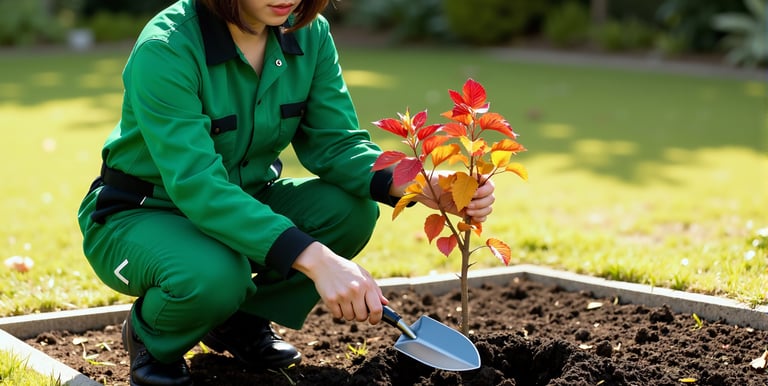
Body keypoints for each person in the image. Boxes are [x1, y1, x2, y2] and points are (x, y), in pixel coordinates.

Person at [77, 0, 496, 385]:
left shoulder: (308, 32)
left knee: (350, 211)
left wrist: (422, 185)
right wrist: (317, 261)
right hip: (141, 214)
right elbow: (199, 186)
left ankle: (240, 322)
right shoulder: (167, 48)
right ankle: (152, 337)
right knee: (216, 275)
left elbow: (336, 143)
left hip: (247, 201)